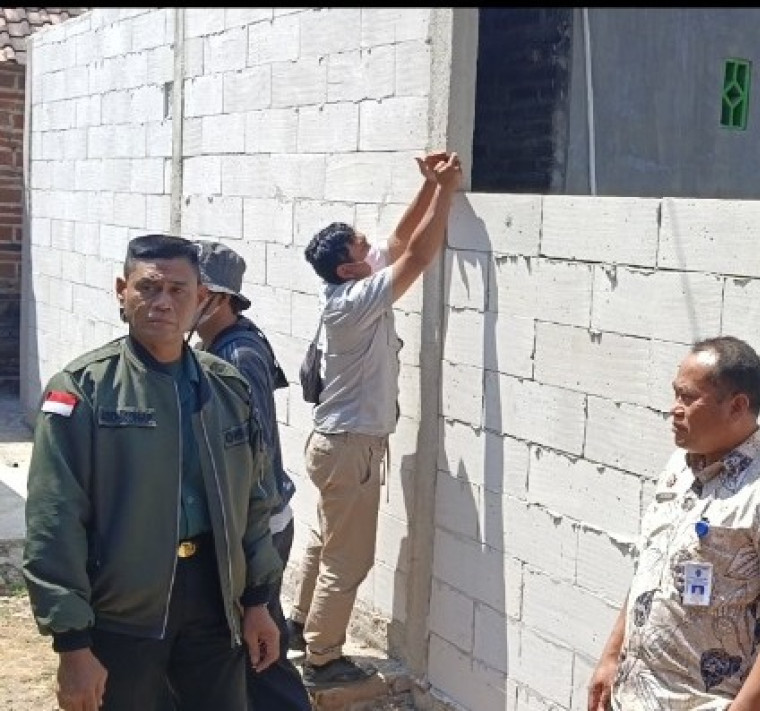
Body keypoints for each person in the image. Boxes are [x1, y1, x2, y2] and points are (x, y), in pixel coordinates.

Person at [23, 233, 283, 711]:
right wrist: (73, 645)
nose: (162, 302)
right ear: (122, 290)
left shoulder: (226, 387)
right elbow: (53, 519)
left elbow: (255, 500)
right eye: (148, 288)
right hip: (123, 614)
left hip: (214, 601)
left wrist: (258, 601)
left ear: (201, 299)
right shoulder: (84, 389)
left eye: (178, 291)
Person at [287, 150, 462, 687]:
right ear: (349, 267)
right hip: (351, 448)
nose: (373, 250)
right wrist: (449, 194)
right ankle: (323, 659)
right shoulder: (355, 300)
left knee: (325, 540)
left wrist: (431, 186)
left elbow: (400, 237)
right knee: (350, 557)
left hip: (335, 445)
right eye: (363, 249)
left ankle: (300, 626)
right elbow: (419, 256)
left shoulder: (348, 281)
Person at [588, 336, 760, 711]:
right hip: (631, 696)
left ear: (737, 406)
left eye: (688, 398)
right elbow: (649, 573)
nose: (675, 409)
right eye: (675, 395)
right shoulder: (678, 469)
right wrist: (612, 655)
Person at [193, 241, 312, 711]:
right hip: (251, 521)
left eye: (192, 290)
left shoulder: (237, 356)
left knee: (259, 644)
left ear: (218, 298)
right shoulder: (222, 343)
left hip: (257, 525)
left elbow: (252, 455)